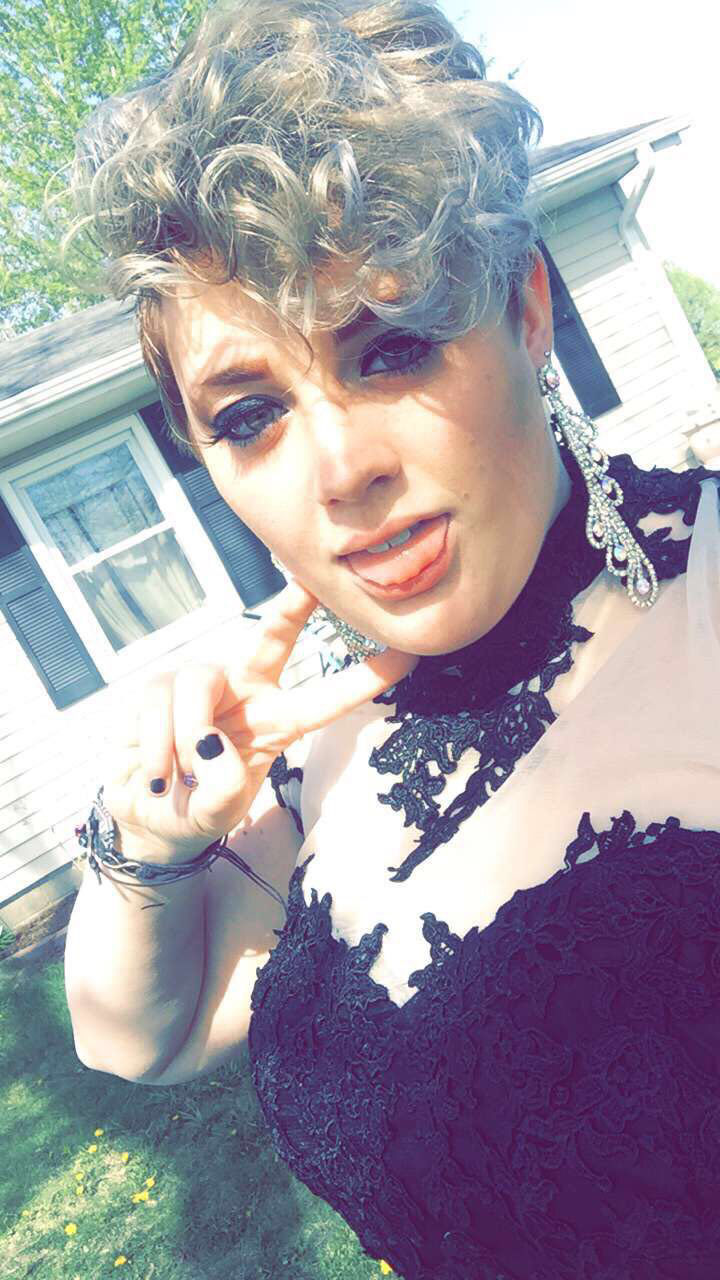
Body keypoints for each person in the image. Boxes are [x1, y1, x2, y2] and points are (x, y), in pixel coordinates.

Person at [63, 2, 720, 1277]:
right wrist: (153, 833)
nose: (341, 469)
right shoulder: (325, 745)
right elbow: (137, 1034)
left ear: (528, 307)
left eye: (393, 347)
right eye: (249, 413)